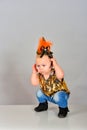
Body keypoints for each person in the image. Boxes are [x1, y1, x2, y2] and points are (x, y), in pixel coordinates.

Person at [31, 37, 70, 118]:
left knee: (58, 97)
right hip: (48, 94)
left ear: (51, 65)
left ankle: (63, 108)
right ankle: (43, 105)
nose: (40, 67)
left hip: (60, 94)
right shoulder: (40, 74)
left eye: (43, 65)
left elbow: (61, 75)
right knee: (39, 93)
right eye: (38, 66)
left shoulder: (55, 72)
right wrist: (34, 73)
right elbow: (34, 83)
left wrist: (55, 65)